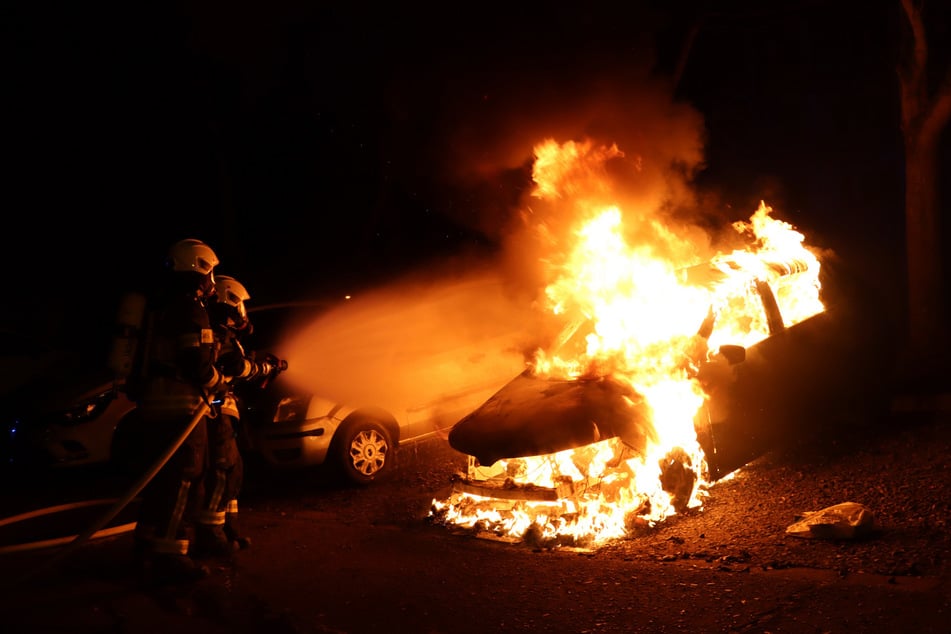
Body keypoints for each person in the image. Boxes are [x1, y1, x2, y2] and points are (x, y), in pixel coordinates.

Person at [132, 238, 226, 584]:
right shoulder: (190, 309)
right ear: (199, 269)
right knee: (185, 479)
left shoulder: (160, 308)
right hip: (181, 409)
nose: (212, 282)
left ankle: (146, 545)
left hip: (154, 407)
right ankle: (170, 555)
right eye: (210, 273)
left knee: (160, 481)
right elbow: (196, 364)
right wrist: (219, 380)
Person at [194, 274, 285, 558]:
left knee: (234, 471)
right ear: (229, 302)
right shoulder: (215, 332)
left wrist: (259, 367)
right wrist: (263, 369)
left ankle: (228, 528)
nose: (242, 313)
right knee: (222, 470)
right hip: (215, 411)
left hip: (225, 411)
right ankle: (211, 535)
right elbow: (236, 367)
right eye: (239, 306)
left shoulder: (226, 334)